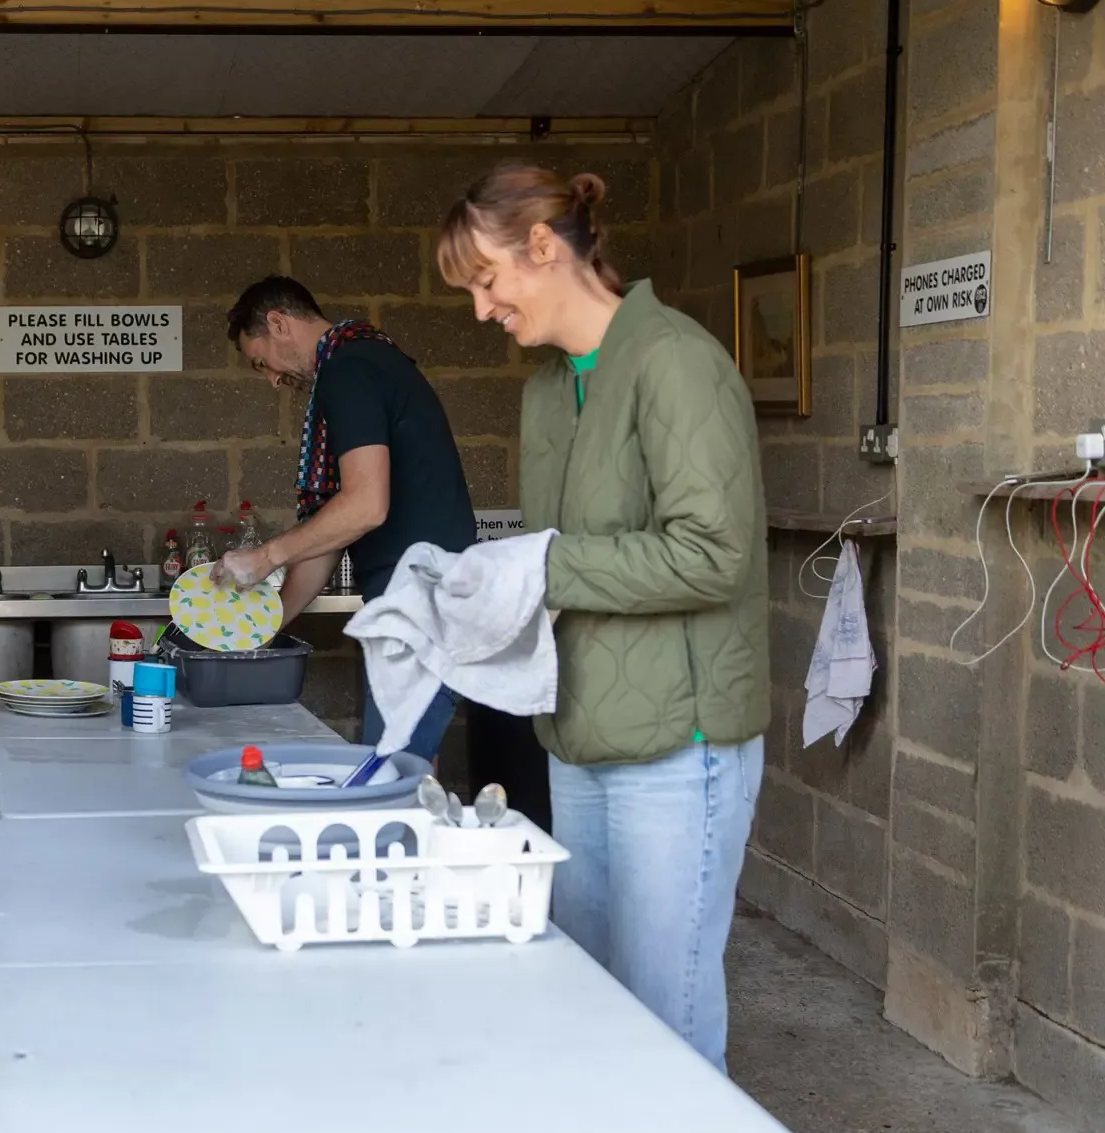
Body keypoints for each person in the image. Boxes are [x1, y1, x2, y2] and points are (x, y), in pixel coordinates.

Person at [436, 163, 769, 1072]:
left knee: (666, 1010)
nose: (481, 309)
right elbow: (566, 565)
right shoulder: (548, 388)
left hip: (679, 742)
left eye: (487, 280)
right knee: (589, 996)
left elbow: (713, 555)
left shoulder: (675, 360)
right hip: (580, 735)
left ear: (543, 248)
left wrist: (538, 564)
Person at [214, 276, 480, 762]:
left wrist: (266, 556)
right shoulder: (366, 361)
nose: (271, 379)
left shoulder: (349, 370)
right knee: (391, 767)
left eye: (261, 362)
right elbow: (333, 533)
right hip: (417, 597)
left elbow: (364, 506)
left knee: (385, 774)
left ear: (278, 323)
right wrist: (255, 631)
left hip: (420, 599)